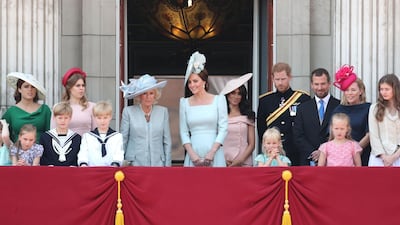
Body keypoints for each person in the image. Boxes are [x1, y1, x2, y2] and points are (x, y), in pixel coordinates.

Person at [179, 51, 228, 167]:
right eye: (190, 82)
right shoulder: (184, 103)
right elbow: (184, 132)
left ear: (204, 82)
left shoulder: (219, 100)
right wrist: (192, 155)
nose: (192, 85)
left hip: (215, 151)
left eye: (195, 81)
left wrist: (212, 152)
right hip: (193, 152)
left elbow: (223, 128)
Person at [257, 63, 310, 165]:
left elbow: (306, 127)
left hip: (295, 150)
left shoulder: (302, 98)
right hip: (272, 152)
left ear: (289, 77)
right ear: (272, 78)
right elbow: (261, 129)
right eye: (277, 79)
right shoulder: (265, 101)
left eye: (283, 79)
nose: (280, 83)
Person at [119, 74, 172, 166]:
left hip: (158, 164)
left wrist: (167, 166)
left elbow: (167, 141)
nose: (148, 97)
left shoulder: (162, 112)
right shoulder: (128, 112)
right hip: (134, 164)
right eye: (145, 93)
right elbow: (123, 139)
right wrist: (120, 163)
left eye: (151, 93)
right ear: (139, 96)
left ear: (155, 95)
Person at [293, 68, 340, 166]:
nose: (319, 87)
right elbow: (298, 135)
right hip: (308, 160)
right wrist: (313, 153)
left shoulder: (339, 106)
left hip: (334, 160)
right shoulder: (303, 108)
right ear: (311, 85)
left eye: (323, 84)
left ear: (329, 83)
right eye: (316, 84)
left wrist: (323, 153)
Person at [332, 65, 371, 166]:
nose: (350, 93)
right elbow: (332, 134)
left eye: (353, 90)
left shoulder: (369, 108)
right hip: (341, 158)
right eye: (347, 90)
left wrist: (354, 151)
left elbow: (369, 134)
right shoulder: (338, 110)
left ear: (361, 91)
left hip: (363, 155)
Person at [2, 72, 51, 143]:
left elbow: (50, 134)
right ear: (19, 89)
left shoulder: (45, 110)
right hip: (18, 152)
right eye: (26, 86)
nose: (30, 89)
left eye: (33, 87)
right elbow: (4, 134)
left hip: (42, 152)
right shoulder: (11, 112)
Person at [220, 73, 255, 167]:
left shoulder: (248, 114)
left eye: (239, 94)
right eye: (233, 93)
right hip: (224, 162)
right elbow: (216, 141)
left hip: (244, 162)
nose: (236, 96)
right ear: (227, 95)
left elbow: (252, 144)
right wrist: (221, 158)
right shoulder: (220, 115)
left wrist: (241, 160)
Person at [77, 101, 124, 167]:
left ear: (110, 117)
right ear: (95, 118)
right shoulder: (87, 137)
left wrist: (115, 164)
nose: (102, 121)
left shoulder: (117, 136)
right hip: (92, 171)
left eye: (105, 118)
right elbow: (83, 153)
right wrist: (83, 164)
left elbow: (118, 153)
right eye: (99, 118)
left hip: (111, 171)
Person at [368, 74, 400, 166]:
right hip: (379, 158)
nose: (383, 92)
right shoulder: (374, 108)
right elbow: (374, 135)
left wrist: (394, 157)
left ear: (395, 89)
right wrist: (384, 157)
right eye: (381, 89)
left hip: (398, 156)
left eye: (387, 89)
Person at [56, 67, 96, 136]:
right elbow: (54, 132)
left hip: (87, 144)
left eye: (83, 85)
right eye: (78, 86)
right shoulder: (59, 107)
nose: (81, 88)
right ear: (69, 88)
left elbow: (96, 131)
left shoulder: (92, 107)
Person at [40, 102, 81, 166]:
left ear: (70, 118)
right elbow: (43, 156)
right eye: (60, 118)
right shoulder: (46, 137)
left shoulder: (76, 138)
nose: (63, 121)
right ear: (54, 118)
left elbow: (78, 156)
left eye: (66, 118)